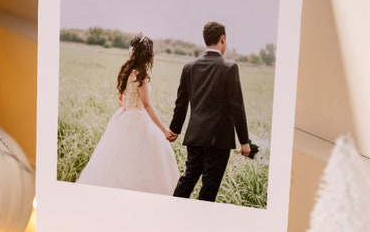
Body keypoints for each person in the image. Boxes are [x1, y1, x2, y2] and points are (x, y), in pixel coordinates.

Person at [77, 33, 179, 195]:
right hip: (139, 119)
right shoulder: (141, 77)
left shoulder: (128, 72)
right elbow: (147, 105)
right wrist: (164, 130)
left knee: (117, 159)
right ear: (147, 55)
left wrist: (127, 107)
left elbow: (121, 98)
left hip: (123, 117)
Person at [168, 21, 251, 201]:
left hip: (195, 136)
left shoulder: (189, 66)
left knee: (188, 179)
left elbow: (181, 102)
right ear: (223, 39)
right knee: (209, 188)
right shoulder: (229, 67)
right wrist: (244, 141)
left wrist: (175, 129)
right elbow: (237, 106)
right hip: (219, 141)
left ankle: (172, 211)